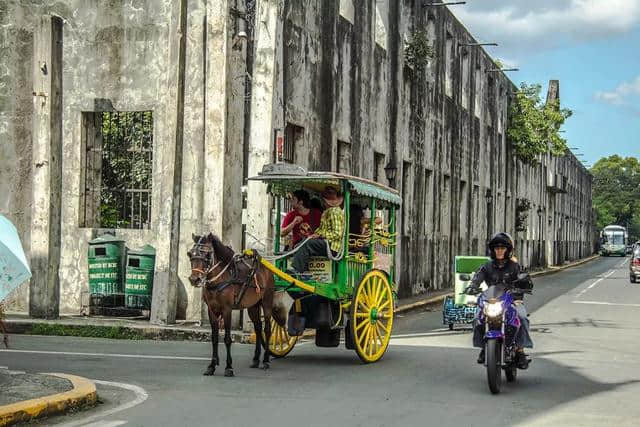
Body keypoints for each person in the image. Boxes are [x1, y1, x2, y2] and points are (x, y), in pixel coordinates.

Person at [469, 232, 533, 368]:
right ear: (492, 250)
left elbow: (523, 280)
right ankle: (483, 348)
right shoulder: (487, 266)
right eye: (497, 248)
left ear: (507, 250)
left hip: (511, 300)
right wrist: (472, 286)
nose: (499, 251)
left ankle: (520, 350)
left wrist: (522, 292)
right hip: (492, 300)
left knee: (522, 318)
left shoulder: (514, 266)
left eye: (502, 248)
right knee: (477, 318)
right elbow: (478, 277)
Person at [291, 186, 345, 275]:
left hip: (332, 247)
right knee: (301, 243)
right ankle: (304, 271)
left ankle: (297, 270)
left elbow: (337, 233)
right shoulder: (327, 212)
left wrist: (320, 235)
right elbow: (321, 230)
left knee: (308, 244)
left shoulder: (334, 212)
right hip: (326, 243)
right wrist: (312, 235)